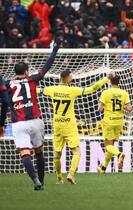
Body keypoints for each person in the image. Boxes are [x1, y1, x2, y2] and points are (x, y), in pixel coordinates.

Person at [6, 40, 60, 190]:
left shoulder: (7, 84)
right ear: (26, 71)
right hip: (36, 121)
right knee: (39, 152)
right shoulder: (32, 79)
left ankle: (35, 180)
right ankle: (41, 182)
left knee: (25, 153)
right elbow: (46, 67)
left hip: (18, 124)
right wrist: (55, 50)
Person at [39, 70, 109, 184]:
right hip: (69, 125)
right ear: (67, 78)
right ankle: (71, 174)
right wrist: (106, 79)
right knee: (76, 152)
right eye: (71, 76)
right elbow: (92, 88)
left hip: (57, 124)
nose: (72, 77)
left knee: (57, 154)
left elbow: (37, 90)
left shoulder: (51, 89)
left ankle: (59, 178)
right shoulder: (72, 90)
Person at [97, 74, 132, 173]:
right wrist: (122, 106)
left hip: (109, 121)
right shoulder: (124, 93)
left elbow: (99, 109)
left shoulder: (106, 93)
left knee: (108, 145)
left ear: (110, 82)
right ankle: (103, 167)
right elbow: (129, 108)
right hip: (119, 121)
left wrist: (103, 107)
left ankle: (119, 154)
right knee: (111, 145)